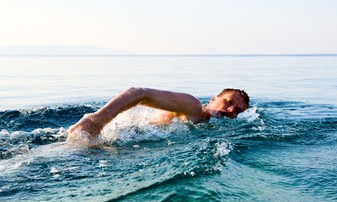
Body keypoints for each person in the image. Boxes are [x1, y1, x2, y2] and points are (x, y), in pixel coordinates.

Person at [67, 87, 250, 140]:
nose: (231, 109)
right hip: (113, 138)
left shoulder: (215, 129)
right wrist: (96, 121)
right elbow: (139, 93)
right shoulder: (193, 107)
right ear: (212, 99)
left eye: (237, 110)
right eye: (229, 102)